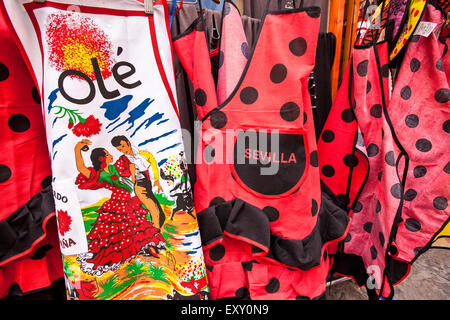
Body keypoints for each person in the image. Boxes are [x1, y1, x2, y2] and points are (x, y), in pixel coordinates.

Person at [74, 139, 165, 275]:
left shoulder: (113, 168)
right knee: (118, 234)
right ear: (102, 159)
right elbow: (81, 168)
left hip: (128, 201)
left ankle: (142, 253)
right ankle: (119, 261)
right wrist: (77, 149)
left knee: (136, 229)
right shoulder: (100, 175)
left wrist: (134, 173)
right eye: (107, 154)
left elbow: (130, 167)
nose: (111, 155)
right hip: (118, 204)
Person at [111, 135, 166, 229]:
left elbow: (154, 167)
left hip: (149, 185)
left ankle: (157, 232)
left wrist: (156, 180)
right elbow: (116, 172)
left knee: (161, 214)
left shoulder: (144, 154)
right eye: (120, 149)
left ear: (128, 142)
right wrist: (129, 175)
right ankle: (156, 236)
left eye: (123, 146)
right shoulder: (123, 160)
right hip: (140, 187)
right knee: (154, 211)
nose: (123, 151)